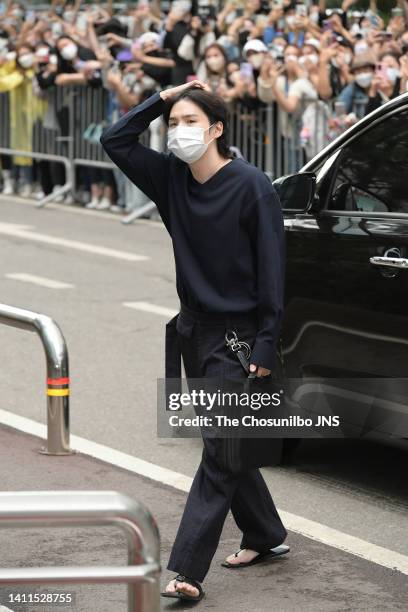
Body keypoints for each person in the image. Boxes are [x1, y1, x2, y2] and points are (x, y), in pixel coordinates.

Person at [100, 79, 289, 602]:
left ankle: (186, 569)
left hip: (240, 339)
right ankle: (266, 534)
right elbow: (115, 140)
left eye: (189, 122)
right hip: (192, 331)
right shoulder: (171, 179)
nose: (178, 132)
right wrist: (161, 99)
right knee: (226, 445)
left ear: (217, 129)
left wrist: (266, 346)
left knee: (220, 453)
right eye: (173, 123)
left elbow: (273, 274)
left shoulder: (254, 187)